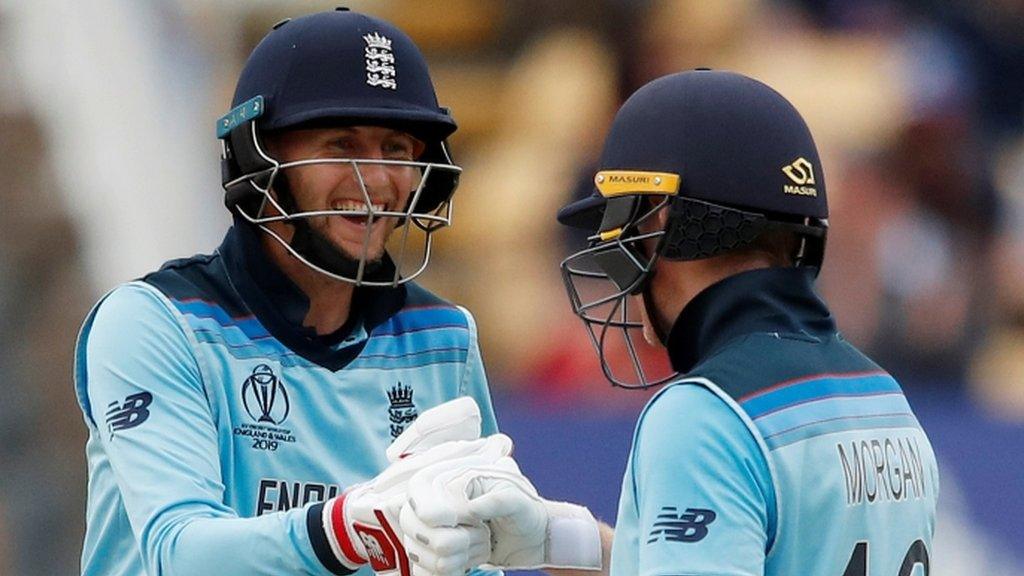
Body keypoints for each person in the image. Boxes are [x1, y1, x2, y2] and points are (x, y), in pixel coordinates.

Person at [398, 70, 940, 575]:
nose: (614, 256)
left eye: (620, 222)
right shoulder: (882, 398)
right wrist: (556, 537)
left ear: (660, 221)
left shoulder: (705, 413)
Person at [73, 9, 505, 576]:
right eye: (341, 144)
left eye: (397, 149)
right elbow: (180, 553)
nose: (376, 180)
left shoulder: (443, 338)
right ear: (260, 159)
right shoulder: (155, 323)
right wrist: (347, 529)